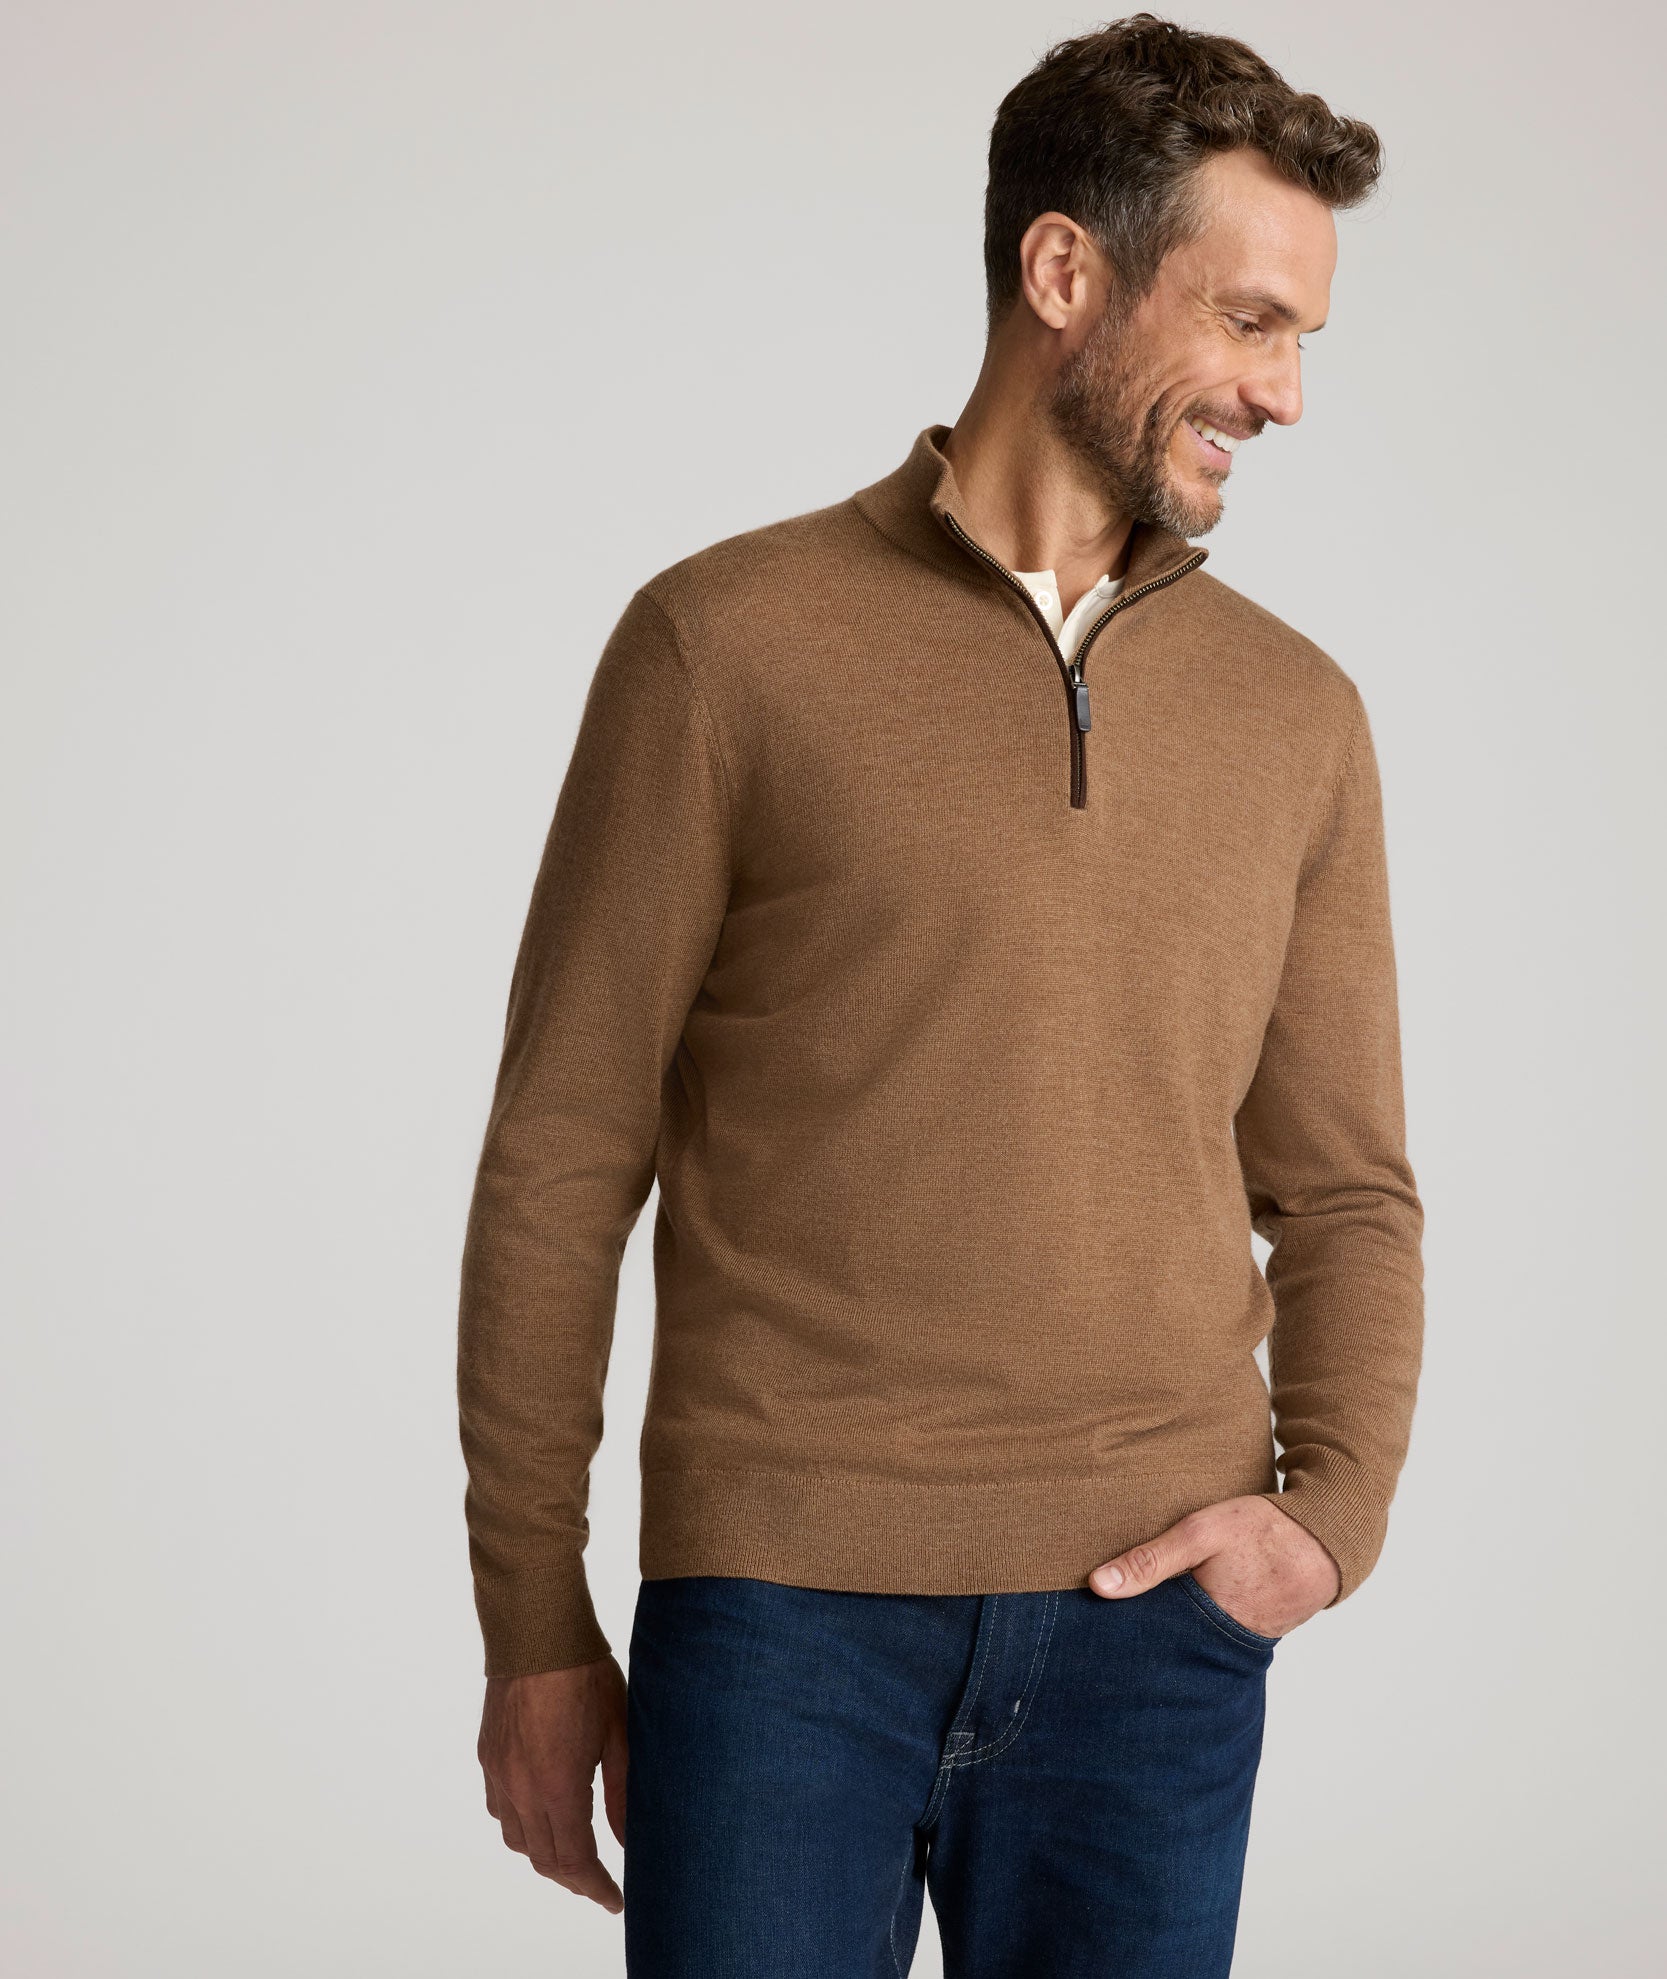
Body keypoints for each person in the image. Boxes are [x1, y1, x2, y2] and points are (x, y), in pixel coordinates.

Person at [456, 14, 1424, 1974]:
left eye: (1303, 338)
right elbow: (563, 1153)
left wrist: (1330, 1518)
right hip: (778, 1625)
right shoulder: (723, 647)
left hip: (1155, 1640)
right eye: (1249, 321)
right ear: (1065, 272)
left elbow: (1344, 1189)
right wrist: (534, 1623)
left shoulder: (1297, 714)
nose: (1286, 392)